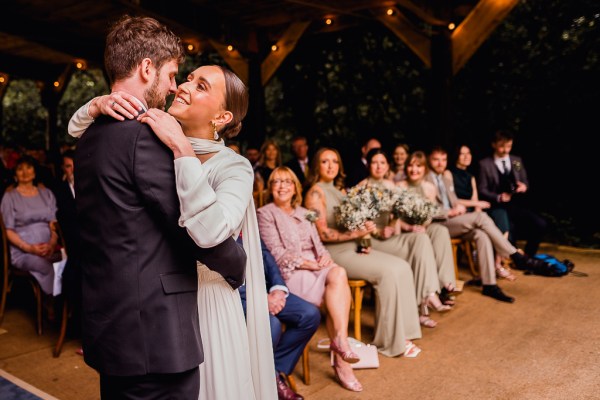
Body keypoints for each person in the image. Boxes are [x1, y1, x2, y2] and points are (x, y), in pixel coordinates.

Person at [67, 16, 250, 400]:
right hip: (156, 336)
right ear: (147, 68)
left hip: (120, 330)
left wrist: (95, 106)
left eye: (194, 82)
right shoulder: (145, 140)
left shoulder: (87, 139)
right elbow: (191, 233)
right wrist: (238, 264)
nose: (175, 86)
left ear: (223, 117)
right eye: (174, 75)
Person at [304, 148, 422, 358]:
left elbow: (352, 222)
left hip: (355, 247)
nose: (331, 166)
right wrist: (356, 233)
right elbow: (322, 234)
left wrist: (364, 234)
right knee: (387, 273)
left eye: (334, 161)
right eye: (325, 161)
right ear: (316, 166)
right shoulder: (315, 192)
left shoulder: (340, 191)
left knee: (401, 266)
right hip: (336, 253)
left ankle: (406, 332)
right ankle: (391, 341)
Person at [257, 166, 363, 393]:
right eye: (277, 182)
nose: (283, 186)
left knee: (338, 272)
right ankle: (342, 358)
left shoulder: (305, 213)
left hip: (316, 267)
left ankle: (340, 342)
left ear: (295, 187)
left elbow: (319, 246)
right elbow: (276, 254)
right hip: (291, 272)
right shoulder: (265, 213)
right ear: (271, 188)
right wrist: (310, 264)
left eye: (287, 181)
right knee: (335, 296)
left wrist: (324, 258)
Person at [426, 147, 547, 303]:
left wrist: (459, 209)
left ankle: (489, 285)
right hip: (440, 223)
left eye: (443, 159)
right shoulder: (426, 180)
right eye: (436, 159)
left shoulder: (446, 179)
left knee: (482, 235)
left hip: (458, 220)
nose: (440, 163)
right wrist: (452, 211)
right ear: (429, 160)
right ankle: (514, 254)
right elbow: (428, 208)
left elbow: (454, 201)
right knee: (482, 217)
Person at [357, 148, 453, 326]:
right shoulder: (361, 187)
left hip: (391, 237)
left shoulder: (392, 186)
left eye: (382, 163)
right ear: (369, 165)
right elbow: (359, 222)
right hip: (372, 242)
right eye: (374, 162)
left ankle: (428, 297)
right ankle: (426, 301)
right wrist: (378, 231)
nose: (378, 167)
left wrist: (392, 227)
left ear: (387, 166)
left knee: (422, 240)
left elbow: (396, 216)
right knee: (418, 247)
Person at [238, 236, 320, 400]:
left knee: (309, 315)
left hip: (266, 290)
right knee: (271, 324)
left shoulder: (246, 221)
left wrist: (278, 288)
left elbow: (266, 256)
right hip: (236, 297)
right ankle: (272, 381)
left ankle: (271, 372)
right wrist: (260, 298)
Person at [0, 155, 59, 318]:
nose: (25, 172)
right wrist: (29, 248)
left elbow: (54, 224)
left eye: (29, 167)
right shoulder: (9, 197)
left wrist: (52, 243)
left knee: (70, 261)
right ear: (14, 174)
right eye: (20, 169)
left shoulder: (46, 193)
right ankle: (52, 302)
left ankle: (67, 304)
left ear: (35, 171)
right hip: (23, 252)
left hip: (49, 247)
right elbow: (8, 230)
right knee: (44, 265)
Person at [478, 130, 548, 257]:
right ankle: (515, 257)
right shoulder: (485, 164)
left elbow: (524, 180)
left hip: (517, 205)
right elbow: (482, 189)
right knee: (508, 231)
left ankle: (528, 256)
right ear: (493, 144)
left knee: (540, 224)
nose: (506, 150)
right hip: (497, 207)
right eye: (502, 146)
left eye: (509, 146)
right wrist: (498, 197)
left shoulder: (516, 161)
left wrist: (524, 186)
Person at [450, 144, 515, 281]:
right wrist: (480, 204)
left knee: (501, 216)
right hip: (463, 211)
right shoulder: (450, 173)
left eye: (468, 153)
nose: (467, 156)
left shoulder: (471, 177)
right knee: (488, 220)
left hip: (478, 212)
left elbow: (476, 202)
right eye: (462, 154)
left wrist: (477, 208)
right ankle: (511, 255)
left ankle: (497, 264)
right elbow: (456, 199)